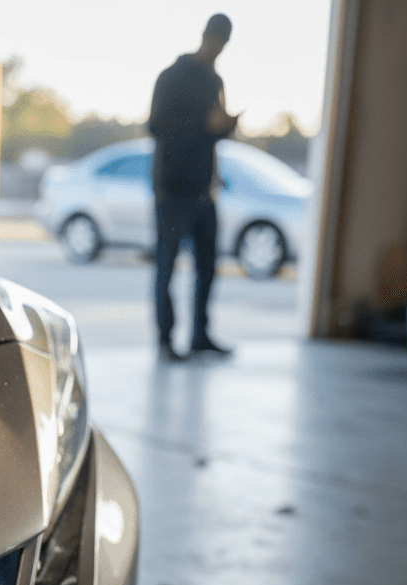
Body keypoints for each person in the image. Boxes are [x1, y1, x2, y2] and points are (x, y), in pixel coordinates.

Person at [148, 13, 239, 360]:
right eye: (217, 40)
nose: (219, 48)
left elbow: (214, 134)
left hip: (204, 189)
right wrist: (204, 125)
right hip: (172, 189)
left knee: (207, 266)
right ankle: (165, 340)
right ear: (205, 36)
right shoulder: (171, 77)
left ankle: (200, 334)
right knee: (167, 265)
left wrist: (224, 127)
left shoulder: (215, 80)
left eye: (225, 43)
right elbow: (156, 126)